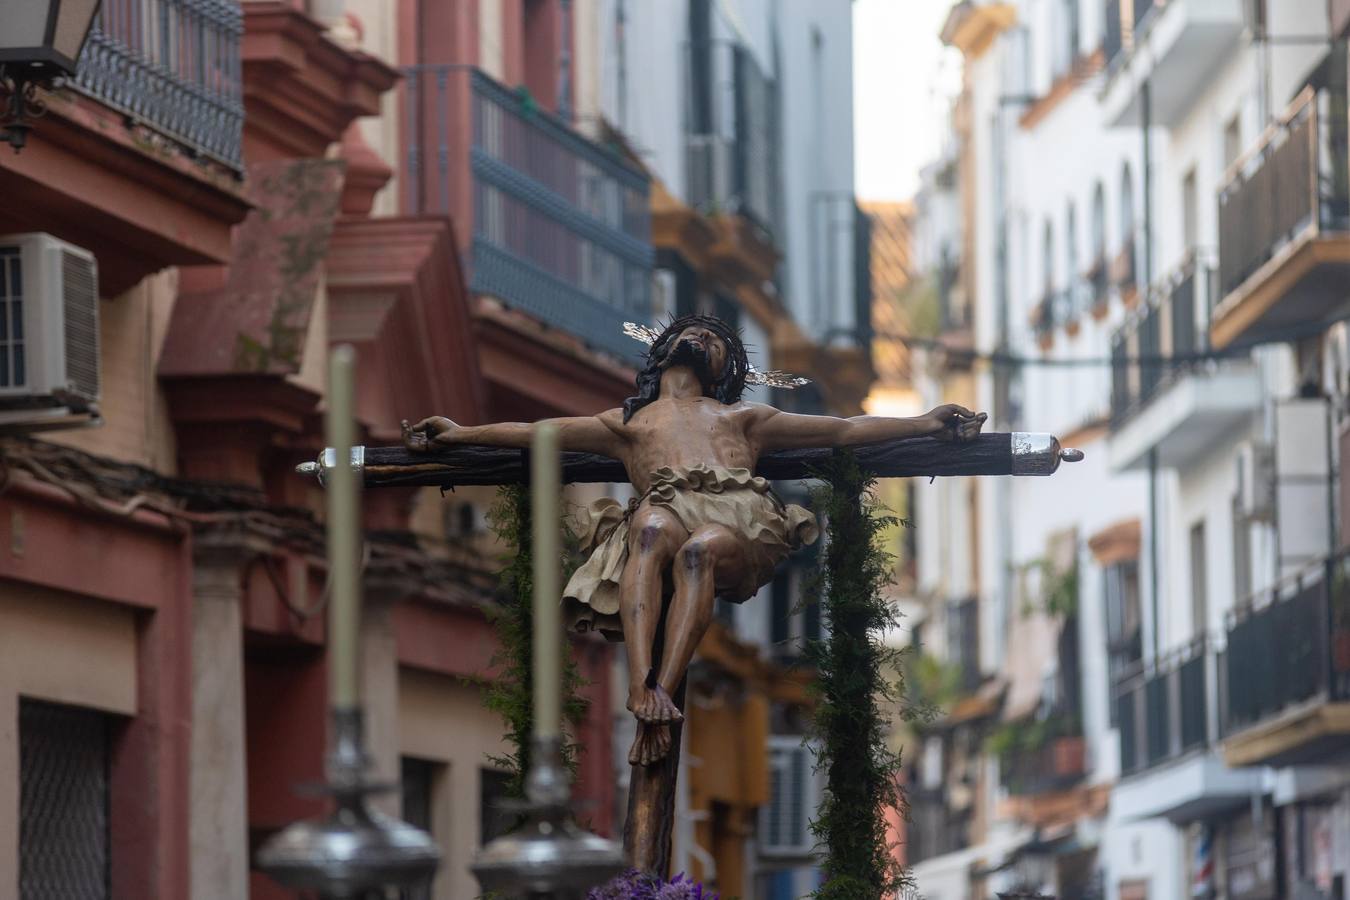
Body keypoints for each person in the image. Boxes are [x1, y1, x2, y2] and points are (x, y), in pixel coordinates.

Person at [404, 315, 986, 765]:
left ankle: (664, 687)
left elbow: (842, 429)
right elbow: (538, 432)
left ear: (723, 370)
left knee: (699, 551)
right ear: (664, 350)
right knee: (650, 529)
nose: (704, 338)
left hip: (737, 522)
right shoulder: (627, 424)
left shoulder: (742, 419)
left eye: (717, 341)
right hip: (665, 510)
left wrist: (924, 422)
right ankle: (643, 688)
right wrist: (460, 434)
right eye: (694, 332)